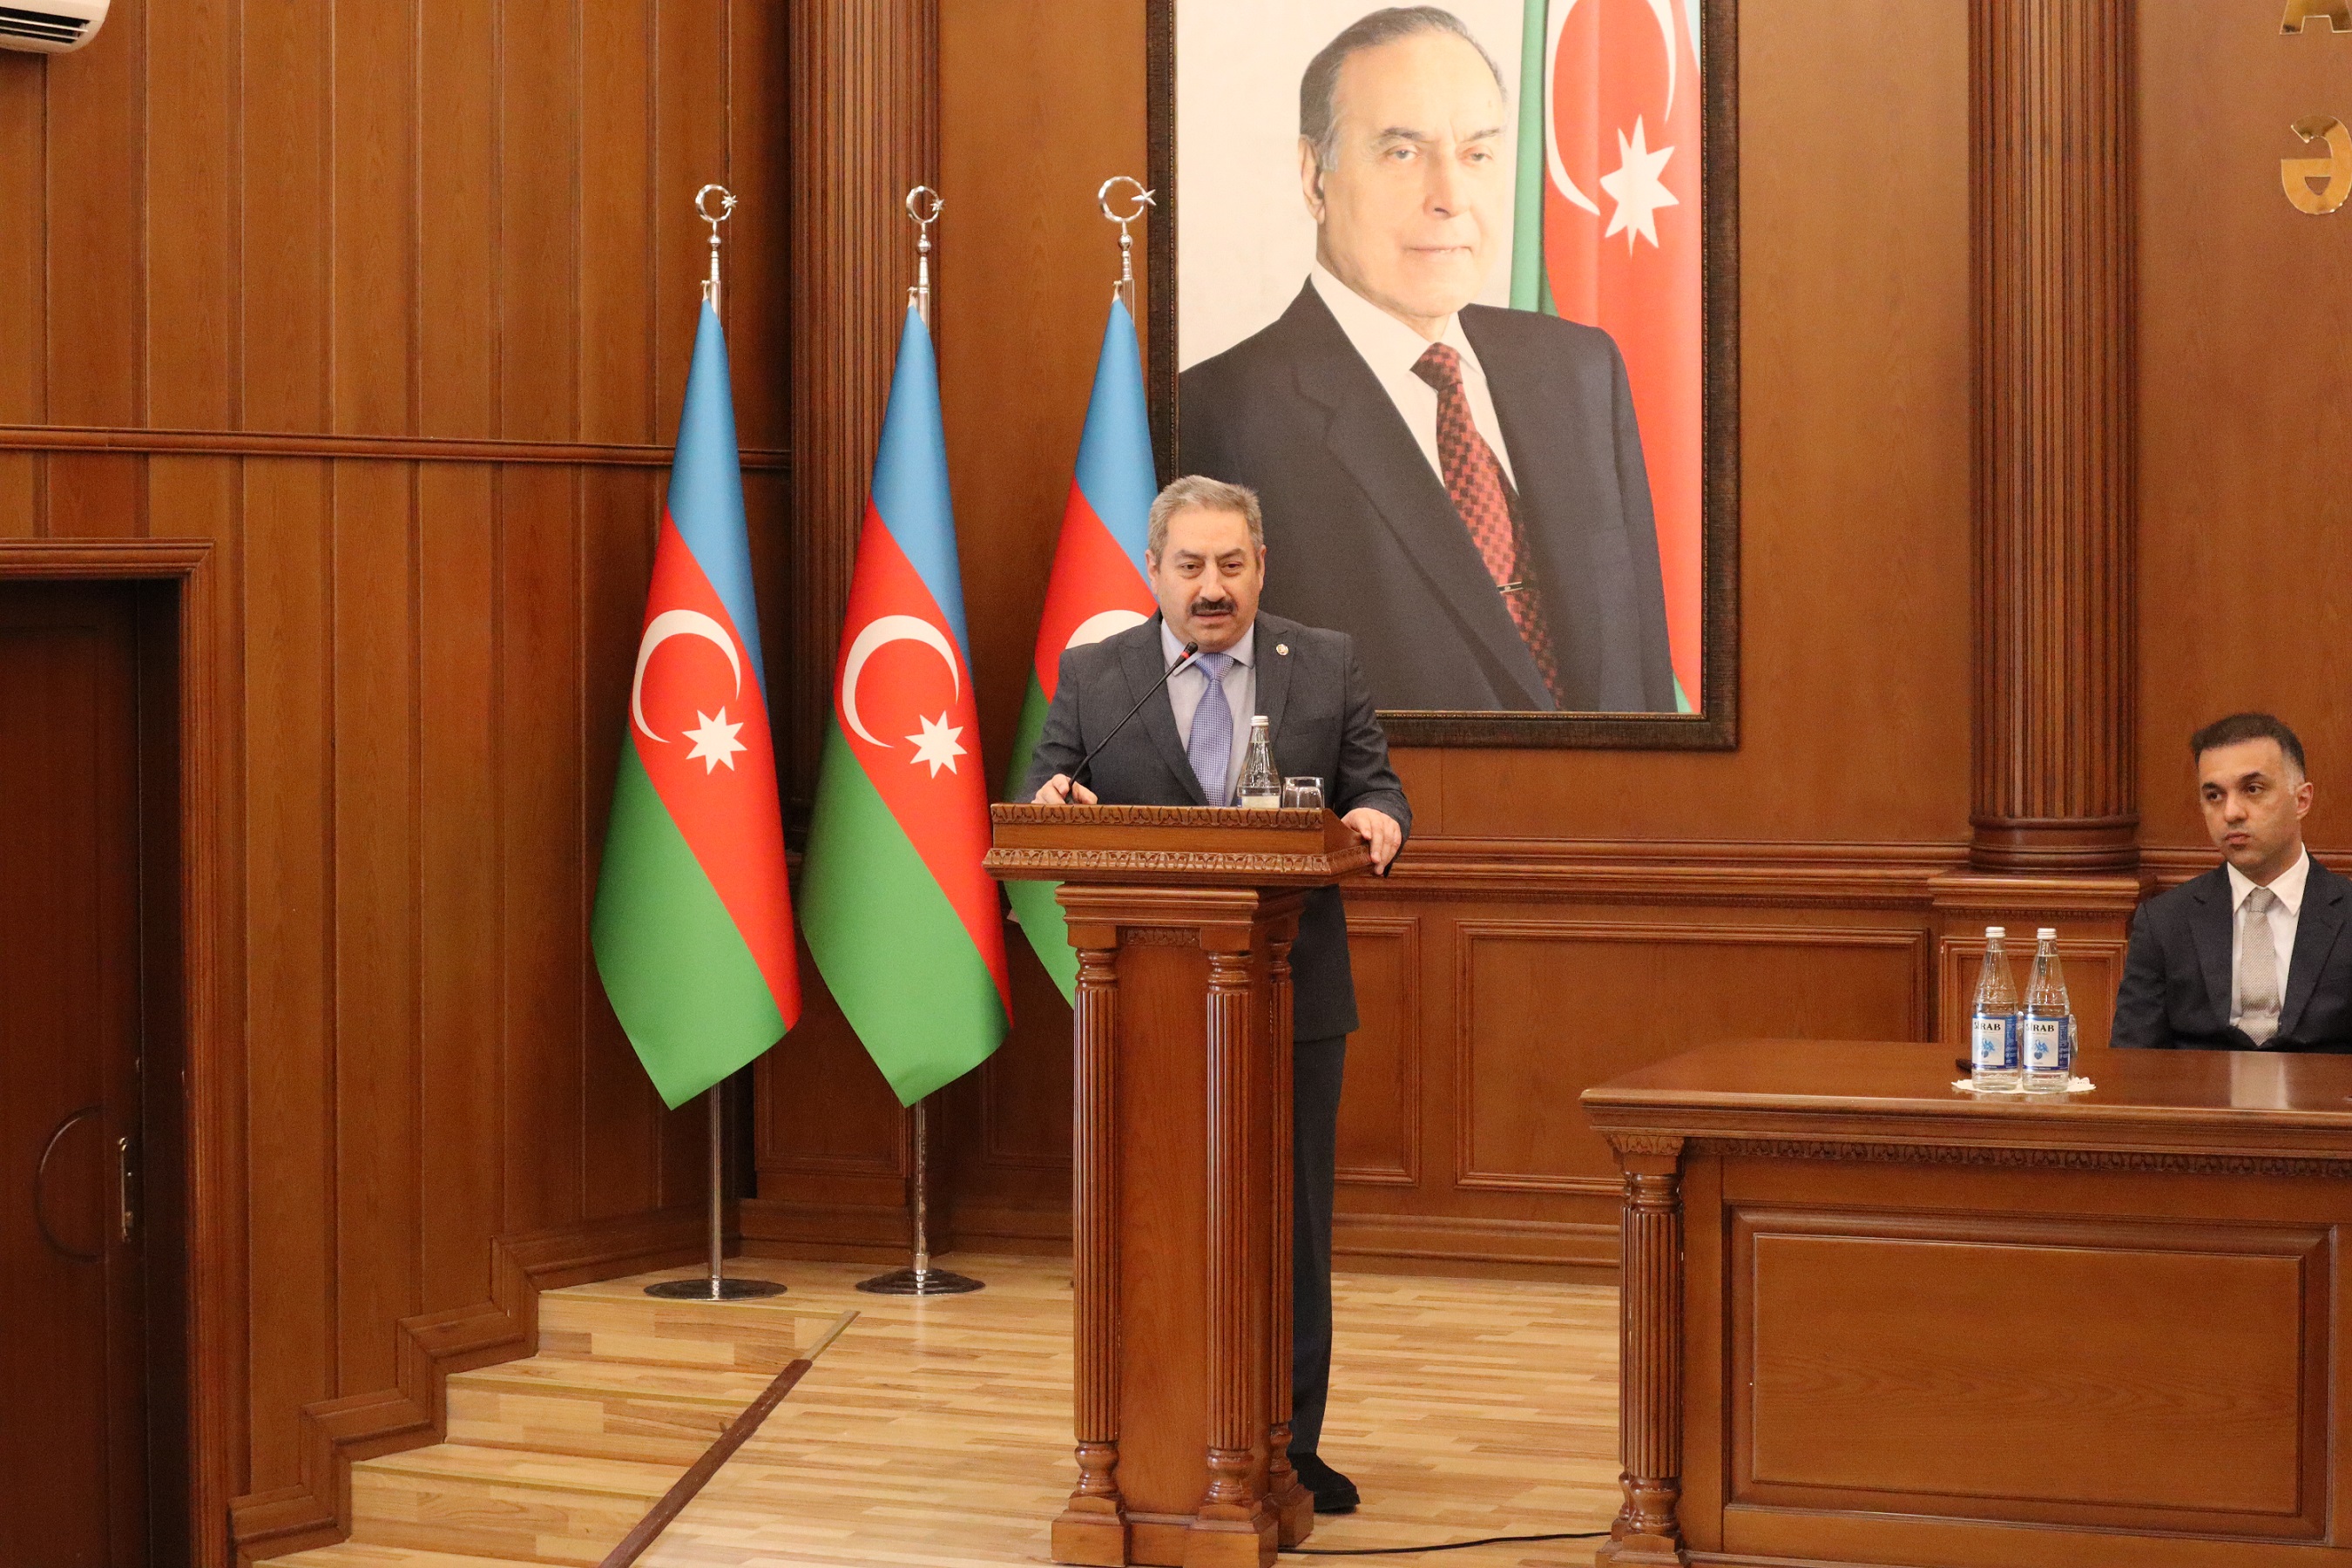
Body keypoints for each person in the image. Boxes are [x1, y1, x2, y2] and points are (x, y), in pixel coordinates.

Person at [1026, 474, 1410, 1514]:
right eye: (1190, 565)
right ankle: (1151, 1435)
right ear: (1154, 571)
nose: (1211, 587)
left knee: (1290, 1228)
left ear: (1261, 567)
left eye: (1231, 565)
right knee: (1150, 1227)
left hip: (1293, 995)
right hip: (1145, 1007)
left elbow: (1375, 787)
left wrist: (1379, 819)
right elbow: (1049, 788)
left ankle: (1290, 1447)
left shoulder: (1322, 663)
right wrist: (1055, 798)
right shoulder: (1098, 673)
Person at [1179, 5, 1676, 713]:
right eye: (1402, 153)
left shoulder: (1579, 371)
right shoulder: (1216, 417)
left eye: (1477, 154)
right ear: (1315, 177)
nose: (1451, 198)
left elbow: (1646, 683)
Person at [2112, 713, 2352, 1052]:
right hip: (2198, 1087)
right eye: (2214, 796)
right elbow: (2134, 1061)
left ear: (2302, 800)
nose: (2231, 813)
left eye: (2253, 789)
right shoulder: (2165, 922)